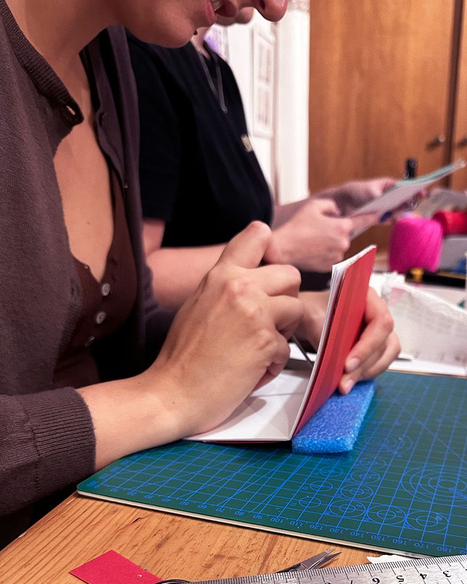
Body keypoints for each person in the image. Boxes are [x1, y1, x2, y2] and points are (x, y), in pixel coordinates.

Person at [0, 0, 399, 550]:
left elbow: (115, 329)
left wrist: (281, 317)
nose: (274, 9)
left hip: (90, 509)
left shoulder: (108, 58)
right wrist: (166, 396)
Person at [128, 23, 401, 373]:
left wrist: (336, 201)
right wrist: (284, 248)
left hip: (236, 347)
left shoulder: (218, 70)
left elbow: (245, 219)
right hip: (173, 360)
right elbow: (135, 278)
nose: (276, 10)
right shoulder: (146, 58)